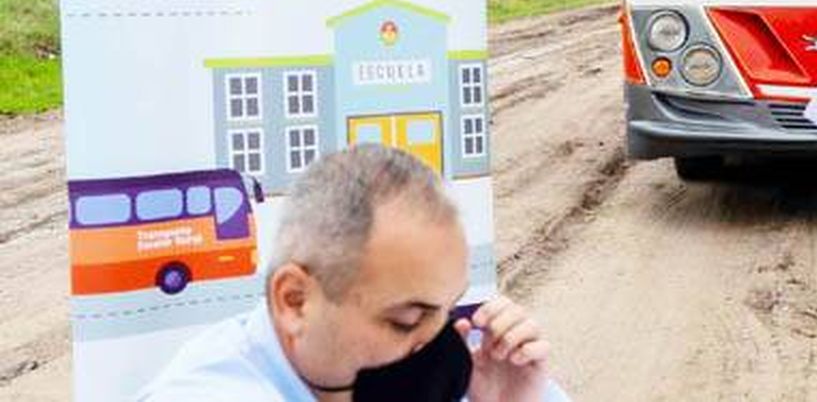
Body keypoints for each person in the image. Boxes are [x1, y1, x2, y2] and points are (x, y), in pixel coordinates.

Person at [138, 144, 570, 402]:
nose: (441, 343)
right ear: (294, 300)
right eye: (406, 321)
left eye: (450, 308)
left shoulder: (474, 371)